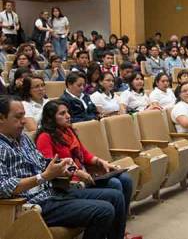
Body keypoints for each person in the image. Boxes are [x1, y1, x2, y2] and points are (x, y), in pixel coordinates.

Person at [0, 95, 130, 239]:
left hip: (53, 192)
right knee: (104, 211)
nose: (24, 121)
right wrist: (43, 177)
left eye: (24, 115)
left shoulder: (23, 139)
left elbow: (43, 162)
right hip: (32, 205)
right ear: (1, 118)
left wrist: (63, 165)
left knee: (115, 196)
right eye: (18, 117)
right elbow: (4, 187)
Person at [36, 100, 132, 216]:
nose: (68, 116)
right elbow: (49, 166)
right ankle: (114, 228)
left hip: (86, 175)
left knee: (125, 178)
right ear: (50, 118)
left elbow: (84, 154)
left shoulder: (69, 131)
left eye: (68, 112)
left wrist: (101, 162)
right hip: (70, 183)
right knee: (115, 183)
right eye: (62, 114)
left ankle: (121, 223)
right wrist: (77, 172)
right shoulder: (44, 137)